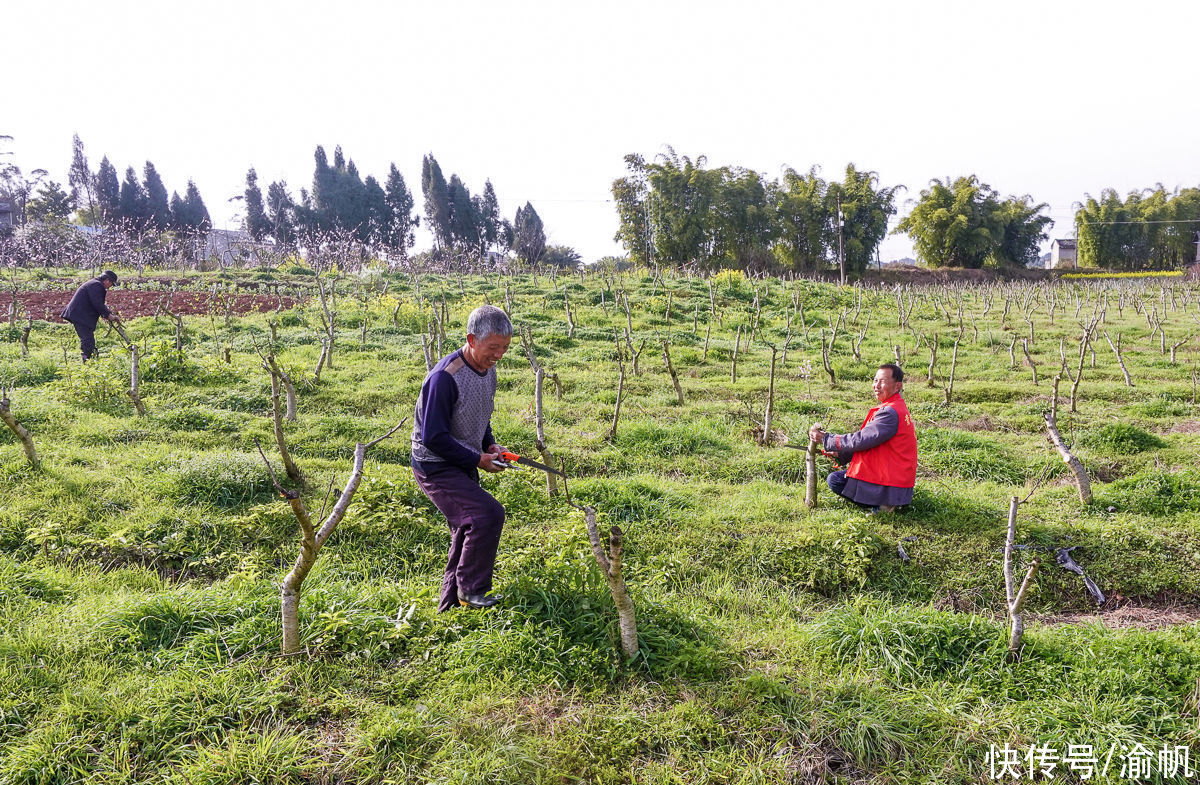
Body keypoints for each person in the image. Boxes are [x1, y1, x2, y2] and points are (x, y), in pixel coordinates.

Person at [411, 304, 513, 611]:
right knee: (486, 514)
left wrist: (491, 446)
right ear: (471, 339)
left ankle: (450, 607)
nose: (498, 355)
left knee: (467, 526)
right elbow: (434, 437)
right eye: (493, 347)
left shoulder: (488, 370)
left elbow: (480, 415)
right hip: (435, 466)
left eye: (505, 348)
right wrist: (478, 459)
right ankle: (472, 591)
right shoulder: (444, 378)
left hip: (462, 458)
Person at [809, 363, 917, 513]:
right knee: (844, 475)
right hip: (896, 478)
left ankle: (883, 506)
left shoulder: (889, 413)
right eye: (875, 380)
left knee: (835, 480)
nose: (876, 386)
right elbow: (873, 443)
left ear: (897, 386)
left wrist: (827, 439)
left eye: (883, 381)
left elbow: (861, 440)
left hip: (893, 482)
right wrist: (842, 454)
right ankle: (888, 501)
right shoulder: (895, 407)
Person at [61, 270, 120, 361]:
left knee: (88, 340)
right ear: (107, 280)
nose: (110, 287)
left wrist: (108, 314)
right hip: (80, 315)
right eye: (111, 284)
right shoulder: (96, 285)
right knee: (87, 341)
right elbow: (97, 304)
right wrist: (109, 315)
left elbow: (97, 304)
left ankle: (89, 359)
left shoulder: (94, 283)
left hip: (81, 315)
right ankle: (86, 361)